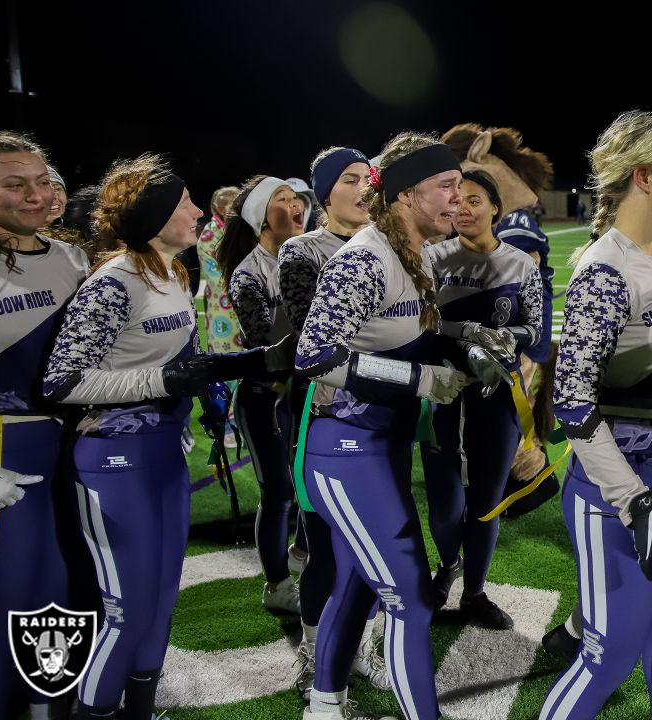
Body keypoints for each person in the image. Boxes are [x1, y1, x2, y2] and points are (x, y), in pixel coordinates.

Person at [43, 154, 289, 720]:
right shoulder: (115, 282)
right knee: (126, 609)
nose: (198, 211)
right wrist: (163, 380)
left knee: (157, 604)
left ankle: (142, 709)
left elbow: (181, 360)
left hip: (162, 454)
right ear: (153, 217)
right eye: (183, 203)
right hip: (114, 461)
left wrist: (247, 364)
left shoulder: (172, 271)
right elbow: (61, 382)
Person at [293, 132, 479, 720]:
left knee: (356, 583)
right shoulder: (365, 258)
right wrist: (421, 382)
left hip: (380, 444)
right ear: (403, 195)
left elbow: (398, 334)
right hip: (347, 445)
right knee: (410, 598)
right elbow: (314, 356)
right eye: (446, 186)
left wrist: (466, 340)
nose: (460, 198)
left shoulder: (412, 250)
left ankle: (325, 705)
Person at [537, 110, 652, 720]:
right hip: (621, 481)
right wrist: (634, 504)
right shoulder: (606, 271)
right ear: (644, 177)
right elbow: (574, 401)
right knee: (608, 654)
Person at [0, 131, 91, 720]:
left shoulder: (74, 259)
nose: (35, 194)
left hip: (70, 454)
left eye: (43, 181)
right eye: (14, 184)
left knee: (62, 606)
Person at [277, 146, 393, 699]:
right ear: (325, 193)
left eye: (370, 178)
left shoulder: (393, 246)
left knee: (375, 545)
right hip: (323, 415)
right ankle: (313, 652)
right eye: (351, 179)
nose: (365, 188)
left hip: (383, 417)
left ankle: (360, 645)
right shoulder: (303, 252)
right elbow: (311, 340)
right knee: (323, 547)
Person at [421, 169, 544, 629]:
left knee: (488, 499)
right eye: (455, 201)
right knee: (444, 502)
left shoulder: (521, 264)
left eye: (474, 200)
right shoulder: (431, 258)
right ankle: (447, 565)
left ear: (496, 208)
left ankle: (474, 592)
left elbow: (538, 330)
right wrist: (463, 335)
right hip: (442, 389)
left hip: (498, 395)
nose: (462, 209)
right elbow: (419, 322)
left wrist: (501, 336)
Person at [218, 176, 308, 617]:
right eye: (282, 200)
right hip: (267, 395)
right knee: (279, 491)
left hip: (306, 391)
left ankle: (300, 555)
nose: (295, 205)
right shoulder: (249, 273)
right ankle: (276, 582)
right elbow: (261, 342)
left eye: (297, 199)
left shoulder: (312, 255)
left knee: (311, 484)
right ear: (259, 216)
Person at [197, 186, 244, 356]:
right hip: (223, 309)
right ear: (222, 209)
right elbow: (215, 278)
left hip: (246, 303)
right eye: (235, 207)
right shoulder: (210, 235)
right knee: (227, 359)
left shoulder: (242, 230)